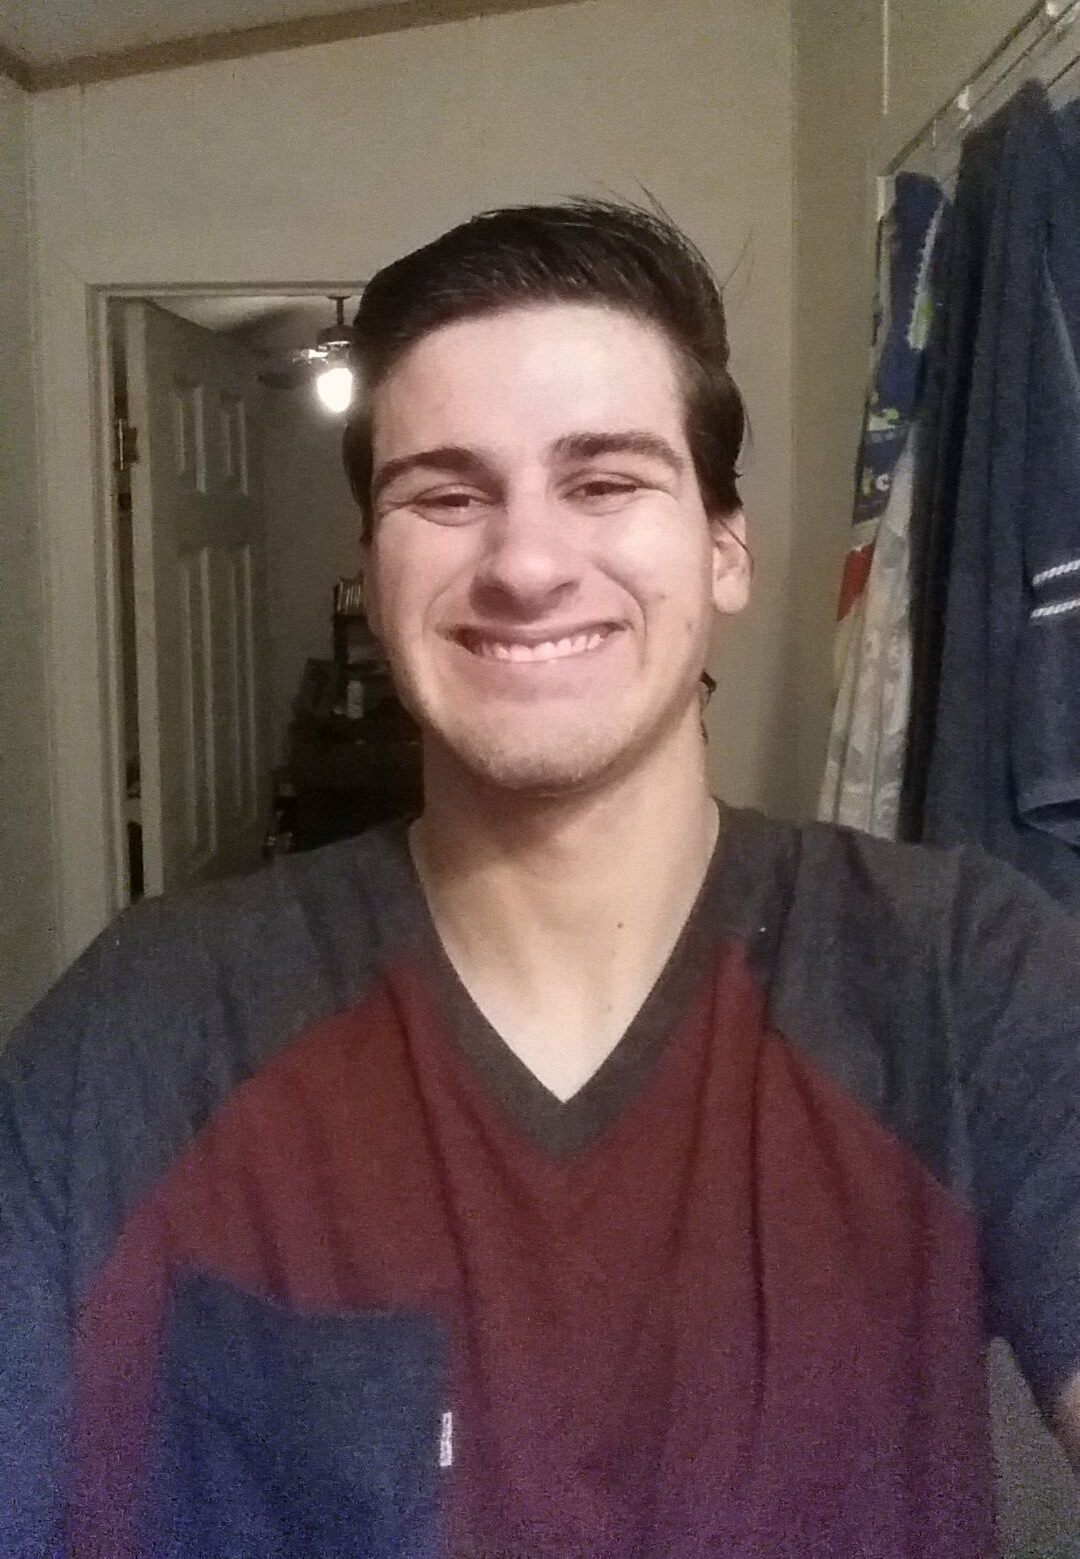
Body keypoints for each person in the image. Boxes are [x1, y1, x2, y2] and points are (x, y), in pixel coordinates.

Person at [1, 200, 1079, 1558]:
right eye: (445, 496)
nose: (522, 563)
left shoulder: (963, 975)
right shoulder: (147, 1025)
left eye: (607, 482)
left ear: (726, 548)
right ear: (371, 568)